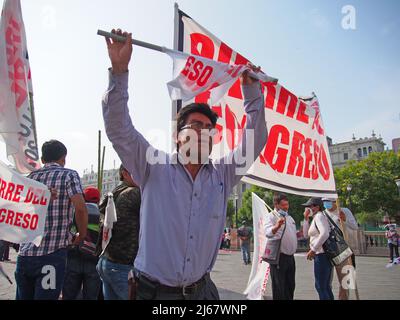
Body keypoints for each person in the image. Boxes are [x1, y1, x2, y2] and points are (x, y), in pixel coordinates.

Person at [102, 29, 268, 300]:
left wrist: (251, 91)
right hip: (153, 294)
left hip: (203, 292)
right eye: (195, 126)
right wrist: (119, 72)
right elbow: (119, 128)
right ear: (177, 137)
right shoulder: (153, 167)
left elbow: (256, 139)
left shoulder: (224, 174)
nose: (203, 132)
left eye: (208, 128)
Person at [15, 140, 88, 300]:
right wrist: (81, 235)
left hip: (25, 255)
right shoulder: (69, 175)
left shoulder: (31, 177)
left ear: (42, 159)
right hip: (52, 255)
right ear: (63, 158)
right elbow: (81, 207)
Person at [96, 165, 141, 300]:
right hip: (123, 267)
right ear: (125, 174)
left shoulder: (116, 191)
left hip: (107, 262)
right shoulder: (134, 193)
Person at [62, 187, 102, 300]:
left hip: (73, 257)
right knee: (91, 296)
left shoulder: (74, 211)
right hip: (94, 260)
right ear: (98, 200)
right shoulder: (102, 214)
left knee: (70, 295)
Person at [322, 197, 358, 300]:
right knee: (327, 280)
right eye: (324, 202)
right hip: (330, 251)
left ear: (335, 202)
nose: (326, 204)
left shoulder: (344, 211)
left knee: (346, 281)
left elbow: (354, 226)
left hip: (345, 250)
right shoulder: (323, 214)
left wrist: (344, 219)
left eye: (328, 202)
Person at [264, 193, 298, 300]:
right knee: (279, 287)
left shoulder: (290, 218)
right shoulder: (271, 216)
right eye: (283, 205)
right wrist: (277, 226)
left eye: (287, 205)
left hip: (290, 257)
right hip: (279, 257)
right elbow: (268, 232)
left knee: (290, 286)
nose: (286, 207)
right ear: (276, 204)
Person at [302, 197, 334, 300]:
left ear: (316, 207)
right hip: (321, 255)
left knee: (321, 286)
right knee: (324, 286)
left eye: (309, 207)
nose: (307, 209)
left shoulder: (319, 216)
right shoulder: (317, 217)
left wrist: (313, 249)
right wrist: (306, 219)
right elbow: (306, 235)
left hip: (322, 255)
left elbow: (325, 233)